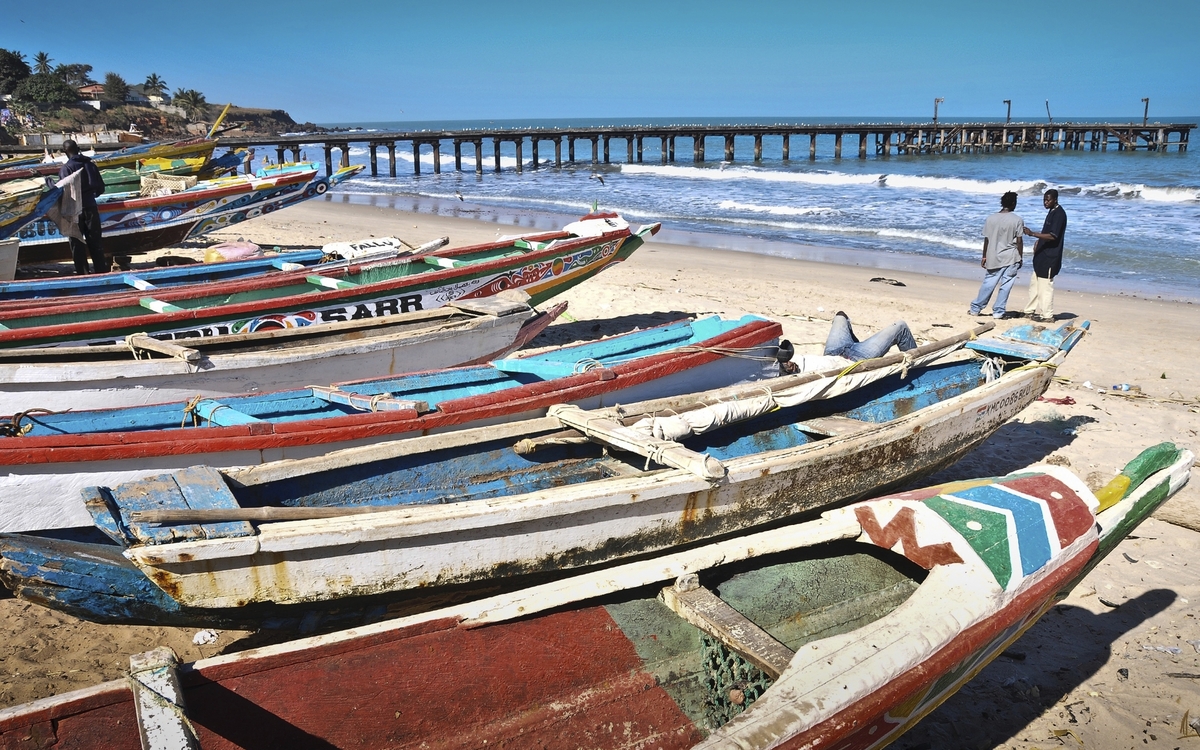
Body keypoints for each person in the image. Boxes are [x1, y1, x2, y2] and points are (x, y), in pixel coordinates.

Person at [969, 191, 1024, 319]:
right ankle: (998, 311)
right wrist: (1020, 257)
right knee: (1006, 285)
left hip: (993, 255)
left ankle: (975, 308)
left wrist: (984, 256)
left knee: (988, 283)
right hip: (1011, 256)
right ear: (1013, 203)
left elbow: (987, 239)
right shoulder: (1017, 220)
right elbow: (1019, 241)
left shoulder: (990, 218)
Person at [57, 139, 107, 274]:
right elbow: (101, 188)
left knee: (77, 244)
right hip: (91, 207)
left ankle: (83, 273)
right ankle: (101, 272)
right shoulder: (91, 165)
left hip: (74, 211)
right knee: (95, 242)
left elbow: (62, 190)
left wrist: (47, 182)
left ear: (64, 151)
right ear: (78, 148)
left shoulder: (66, 168)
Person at [1022, 189, 1067, 322]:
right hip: (1041, 255)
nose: (1045, 202)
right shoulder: (1052, 211)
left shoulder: (1059, 214)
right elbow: (1047, 232)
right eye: (1044, 200)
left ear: (1055, 200)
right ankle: (1029, 311)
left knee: (1045, 286)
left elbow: (1053, 236)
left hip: (1050, 257)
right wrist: (1039, 242)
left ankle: (1047, 315)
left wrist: (1033, 234)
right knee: (1035, 285)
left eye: (1048, 200)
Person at [824, 311, 918, 361]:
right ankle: (916, 366)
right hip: (857, 359)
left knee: (840, 316)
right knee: (901, 326)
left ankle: (856, 344)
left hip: (833, 351)